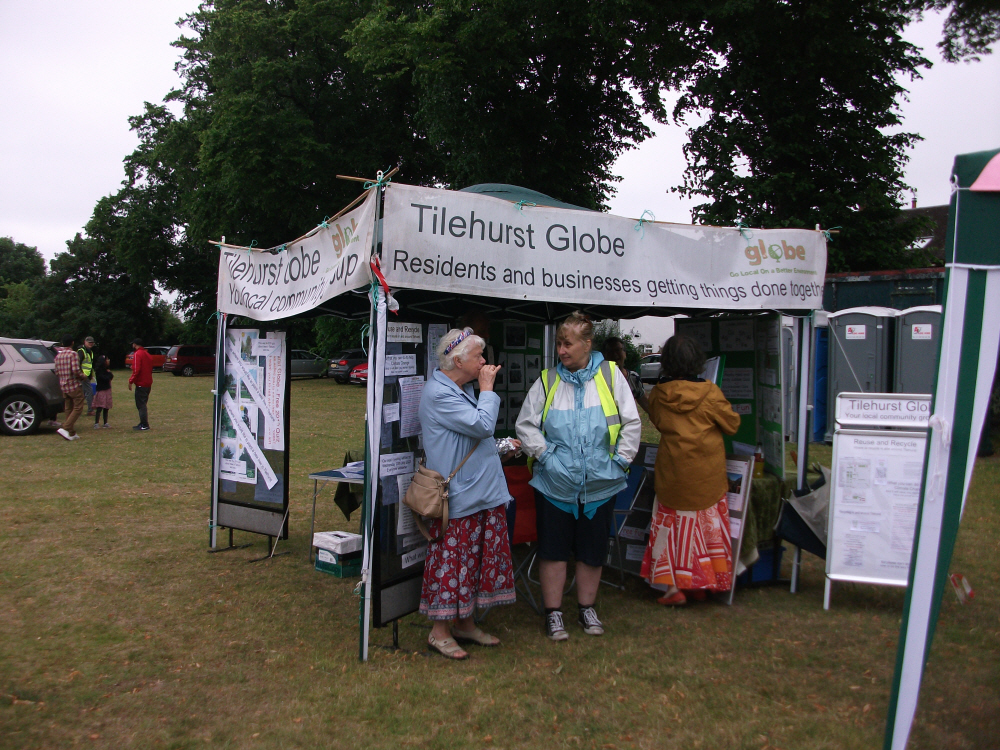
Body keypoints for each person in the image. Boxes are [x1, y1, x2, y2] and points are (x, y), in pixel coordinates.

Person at [516, 312, 641, 641]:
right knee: (553, 549)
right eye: (558, 343)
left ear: (587, 344)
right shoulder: (548, 381)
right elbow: (526, 425)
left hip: (600, 482)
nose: (561, 350)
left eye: (567, 344)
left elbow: (632, 423)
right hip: (555, 482)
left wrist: (619, 463)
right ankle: (553, 614)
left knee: (592, 549)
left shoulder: (611, 376)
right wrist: (547, 456)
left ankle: (587, 608)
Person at [418, 327, 518, 660]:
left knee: (472, 562)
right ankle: (439, 631)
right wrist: (488, 389)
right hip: (458, 497)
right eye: (479, 356)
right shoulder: (439, 393)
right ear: (459, 360)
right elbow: (481, 426)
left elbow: (474, 436)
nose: (485, 362)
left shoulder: (457, 388)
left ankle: (465, 623)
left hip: (478, 493)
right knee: (453, 562)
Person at [641, 335, 741, 606]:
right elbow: (732, 425)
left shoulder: (660, 394)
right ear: (698, 361)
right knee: (707, 530)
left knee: (672, 530)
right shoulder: (710, 392)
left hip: (672, 474)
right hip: (706, 475)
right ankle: (707, 583)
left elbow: (659, 422)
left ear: (666, 363)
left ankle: (673, 587)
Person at [601, 336, 648, 413]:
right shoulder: (600, 379)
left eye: (618, 350)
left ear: (625, 354)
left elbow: (646, 405)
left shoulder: (633, 378)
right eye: (610, 351)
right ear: (604, 355)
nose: (614, 354)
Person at [54, 334, 87, 441]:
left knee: (68, 408)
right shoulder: (73, 354)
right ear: (72, 343)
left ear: (62, 344)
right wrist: (83, 376)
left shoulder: (58, 356)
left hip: (63, 385)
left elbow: (56, 372)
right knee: (78, 407)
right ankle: (66, 427)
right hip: (74, 385)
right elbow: (76, 370)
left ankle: (71, 433)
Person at [128, 338, 153, 431]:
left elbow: (137, 370)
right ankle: (143, 422)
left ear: (135, 344)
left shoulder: (137, 354)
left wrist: (131, 381)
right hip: (148, 382)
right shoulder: (147, 354)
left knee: (141, 404)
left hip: (141, 383)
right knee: (143, 403)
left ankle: (144, 424)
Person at [91, 354, 113, 428]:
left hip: (107, 389)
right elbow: (105, 378)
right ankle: (96, 423)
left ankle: (105, 422)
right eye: (107, 359)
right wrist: (109, 374)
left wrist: (109, 374)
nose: (108, 361)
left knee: (106, 407)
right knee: (100, 406)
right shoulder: (99, 371)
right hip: (101, 390)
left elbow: (111, 376)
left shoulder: (106, 370)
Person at [78, 336, 97, 416]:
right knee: (89, 392)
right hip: (83, 376)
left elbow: (89, 364)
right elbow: (78, 363)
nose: (91, 344)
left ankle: (77, 409)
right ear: (85, 342)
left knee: (82, 393)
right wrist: (81, 373)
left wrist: (91, 374)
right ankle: (90, 410)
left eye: (92, 342)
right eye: (89, 342)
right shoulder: (81, 351)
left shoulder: (89, 351)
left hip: (87, 375)